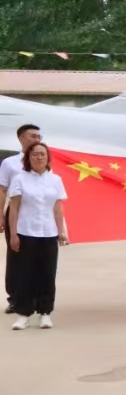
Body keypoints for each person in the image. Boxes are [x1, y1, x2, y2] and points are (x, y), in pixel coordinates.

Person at [6, 142, 68, 331]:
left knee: (47, 274)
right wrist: (13, 234)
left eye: (42, 154)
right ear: (28, 158)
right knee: (25, 275)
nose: (39, 157)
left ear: (47, 158)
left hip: (49, 233)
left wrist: (62, 231)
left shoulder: (55, 180)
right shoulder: (20, 179)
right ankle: (23, 315)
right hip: (26, 232)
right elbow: (14, 208)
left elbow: (57, 208)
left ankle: (45, 313)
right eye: (35, 154)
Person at [1, 123, 41, 314]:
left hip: (39, 213)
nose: (37, 140)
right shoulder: (10, 163)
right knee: (16, 254)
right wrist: (0, 215)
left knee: (38, 256)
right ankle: (15, 298)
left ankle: (36, 297)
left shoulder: (44, 161)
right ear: (21, 138)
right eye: (33, 136)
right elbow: (2, 190)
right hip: (16, 212)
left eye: (39, 137)